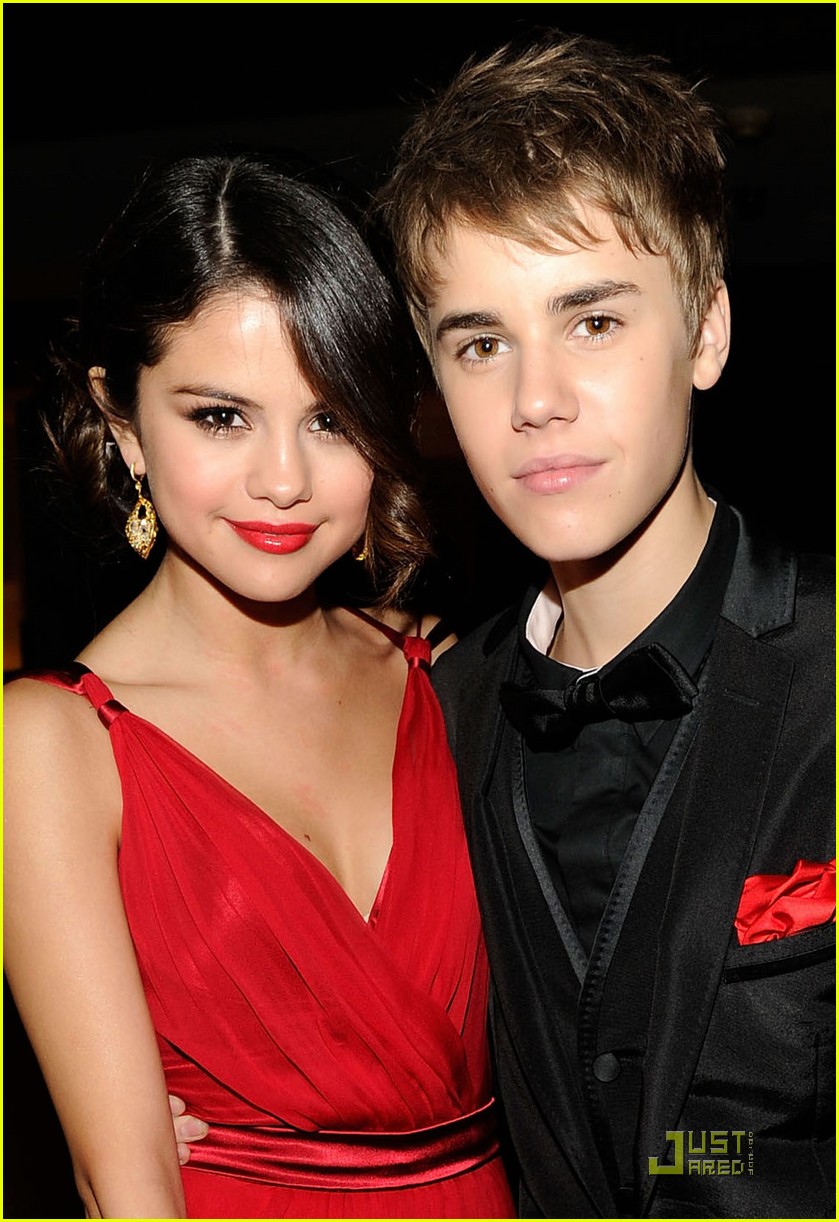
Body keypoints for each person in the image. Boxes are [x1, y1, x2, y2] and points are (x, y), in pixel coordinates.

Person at [372, 32, 835, 1219]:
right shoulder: (428, 717)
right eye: (482, 343)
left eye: (590, 321)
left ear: (705, 331)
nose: (534, 400)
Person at [3, 153, 515, 1219]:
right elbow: (127, 1185)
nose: (283, 479)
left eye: (330, 419)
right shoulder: (49, 744)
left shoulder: (451, 674)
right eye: (221, 417)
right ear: (123, 422)